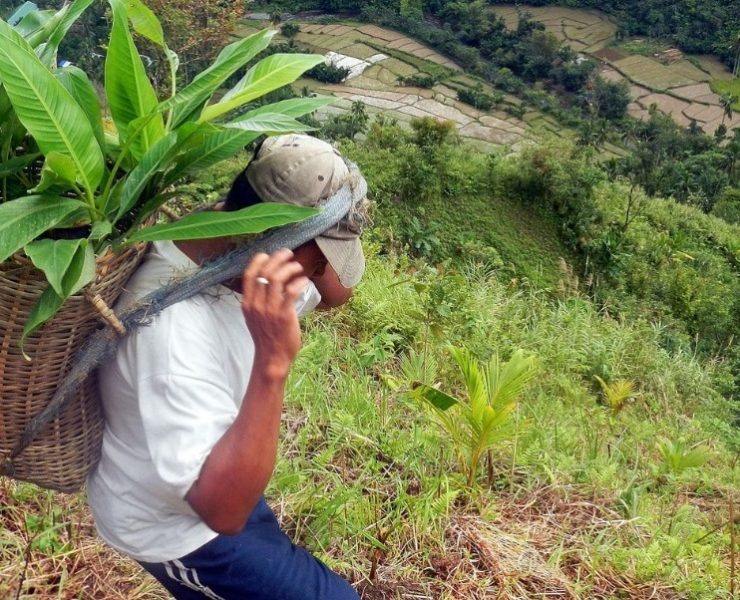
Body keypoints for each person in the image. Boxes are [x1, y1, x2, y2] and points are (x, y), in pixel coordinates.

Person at [87, 134, 367, 600]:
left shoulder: (223, 236)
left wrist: (327, 232)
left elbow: (338, 292)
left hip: (225, 458)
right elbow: (225, 512)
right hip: (179, 527)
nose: (318, 274)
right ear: (270, 240)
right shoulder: (173, 335)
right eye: (317, 260)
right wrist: (273, 364)